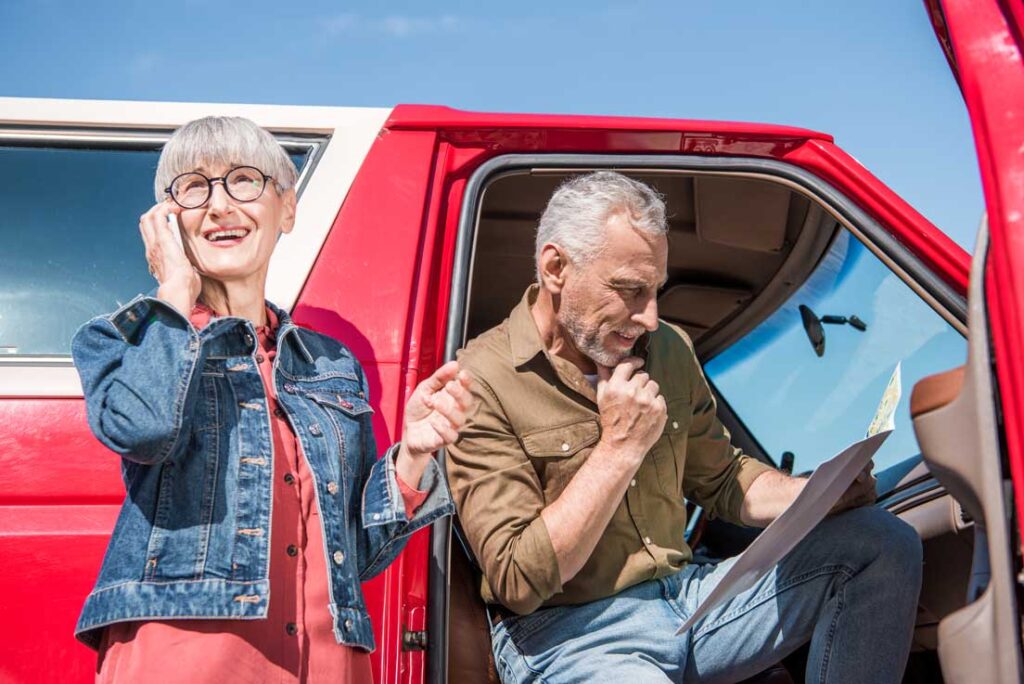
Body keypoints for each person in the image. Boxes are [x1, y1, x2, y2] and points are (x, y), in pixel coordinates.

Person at [446, 171, 923, 683]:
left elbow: (720, 479)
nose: (650, 317)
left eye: (655, 291)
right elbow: (518, 578)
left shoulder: (669, 349)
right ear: (556, 267)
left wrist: (811, 495)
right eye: (630, 290)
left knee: (882, 543)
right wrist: (618, 449)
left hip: (686, 601)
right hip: (569, 637)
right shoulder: (478, 382)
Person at [71, 116, 472, 682]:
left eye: (243, 181)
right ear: (165, 222)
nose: (218, 205)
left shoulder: (331, 364)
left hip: (331, 660)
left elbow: (354, 558)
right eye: (192, 187)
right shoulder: (127, 339)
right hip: (191, 659)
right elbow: (145, 429)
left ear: (287, 210)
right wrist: (175, 296)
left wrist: (413, 456)